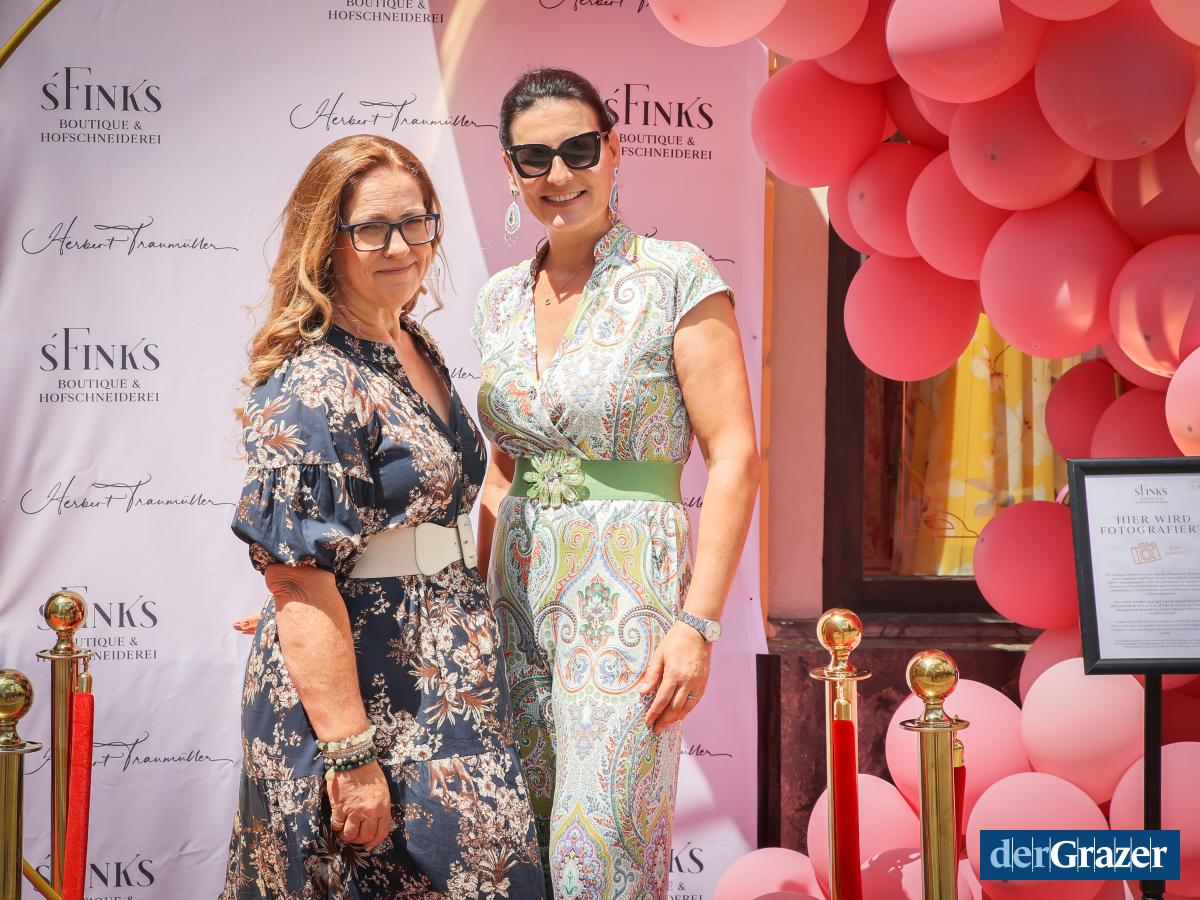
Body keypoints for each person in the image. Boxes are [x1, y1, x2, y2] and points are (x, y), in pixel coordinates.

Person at [222, 134, 544, 899]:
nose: (402, 246)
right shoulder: (313, 380)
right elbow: (299, 579)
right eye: (372, 228)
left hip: (448, 683)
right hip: (366, 708)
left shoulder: (409, 340)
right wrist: (350, 756)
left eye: (416, 221)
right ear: (325, 241)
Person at [472, 68, 761, 899]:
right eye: (535, 159)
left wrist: (696, 624)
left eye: (579, 149)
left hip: (628, 601)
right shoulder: (497, 300)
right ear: (511, 171)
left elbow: (735, 456)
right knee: (515, 848)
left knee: (600, 852)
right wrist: (465, 606)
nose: (559, 174)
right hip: (516, 604)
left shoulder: (677, 275)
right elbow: (502, 469)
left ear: (614, 149)